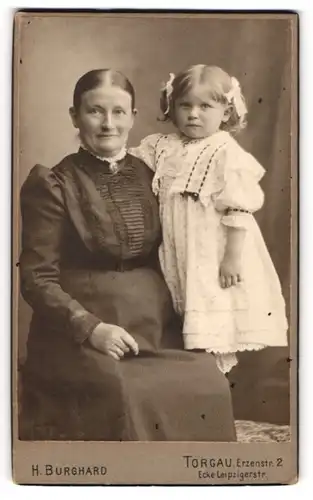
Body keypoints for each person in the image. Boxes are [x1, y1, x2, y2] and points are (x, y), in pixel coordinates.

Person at [19, 68, 236, 441]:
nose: (108, 124)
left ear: (133, 117)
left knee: (207, 382)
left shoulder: (154, 174)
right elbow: (36, 278)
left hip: (154, 325)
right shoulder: (53, 183)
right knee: (128, 395)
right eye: (94, 111)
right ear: (75, 116)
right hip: (83, 333)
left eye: (119, 112)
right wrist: (92, 329)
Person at [130, 65, 288, 374]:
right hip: (177, 246)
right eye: (185, 105)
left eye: (206, 106)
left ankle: (211, 384)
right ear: (171, 107)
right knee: (179, 315)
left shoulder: (225, 152)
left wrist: (231, 258)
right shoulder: (162, 146)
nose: (193, 114)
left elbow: (238, 210)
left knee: (211, 317)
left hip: (211, 249)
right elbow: (129, 164)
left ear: (226, 111)